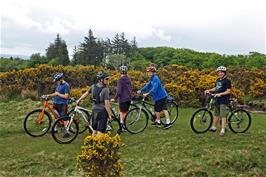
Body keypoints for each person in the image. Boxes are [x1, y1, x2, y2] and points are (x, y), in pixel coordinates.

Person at [76, 71, 112, 136]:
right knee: (100, 131)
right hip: (102, 111)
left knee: (94, 130)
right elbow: (106, 104)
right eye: (106, 79)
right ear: (101, 80)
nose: (108, 80)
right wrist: (110, 115)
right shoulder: (105, 89)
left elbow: (86, 94)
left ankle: (92, 144)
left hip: (94, 110)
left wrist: (79, 100)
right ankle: (97, 145)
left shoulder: (93, 86)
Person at [137, 65, 172, 129]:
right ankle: (158, 122)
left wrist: (147, 93)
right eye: (148, 72)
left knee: (163, 109)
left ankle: (168, 123)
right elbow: (147, 86)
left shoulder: (156, 78)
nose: (148, 73)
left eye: (150, 72)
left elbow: (154, 89)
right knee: (157, 110)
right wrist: (141, 90)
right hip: (157, 97)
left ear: (153, 73)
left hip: (161, 96)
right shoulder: (151, 79)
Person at [204, 66, 231, 137]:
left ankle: (223, 129)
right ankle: (214, 127)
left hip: (224, 100)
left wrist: (220, 94)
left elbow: (228, 91)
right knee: (216, 114)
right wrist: (209, 90)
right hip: (217, 99)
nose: (220, 73)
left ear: (224, 73)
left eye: (222, 72)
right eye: (219, 72)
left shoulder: (227, 81)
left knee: (223, 115)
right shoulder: (218, 80)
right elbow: (216, 88)